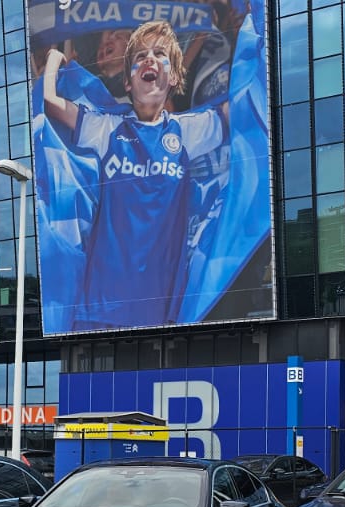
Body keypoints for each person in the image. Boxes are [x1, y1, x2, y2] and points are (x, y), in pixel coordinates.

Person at [42, 21, 228, 329]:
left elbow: (245, 103)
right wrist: (54, 58)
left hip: (157, 311)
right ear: (129, 82)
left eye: (159, 53)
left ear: (175, 77)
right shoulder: (106, 129)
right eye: (140, 56)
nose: (150, 59)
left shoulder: (188, 131)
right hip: (99, 307)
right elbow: (51, 103)